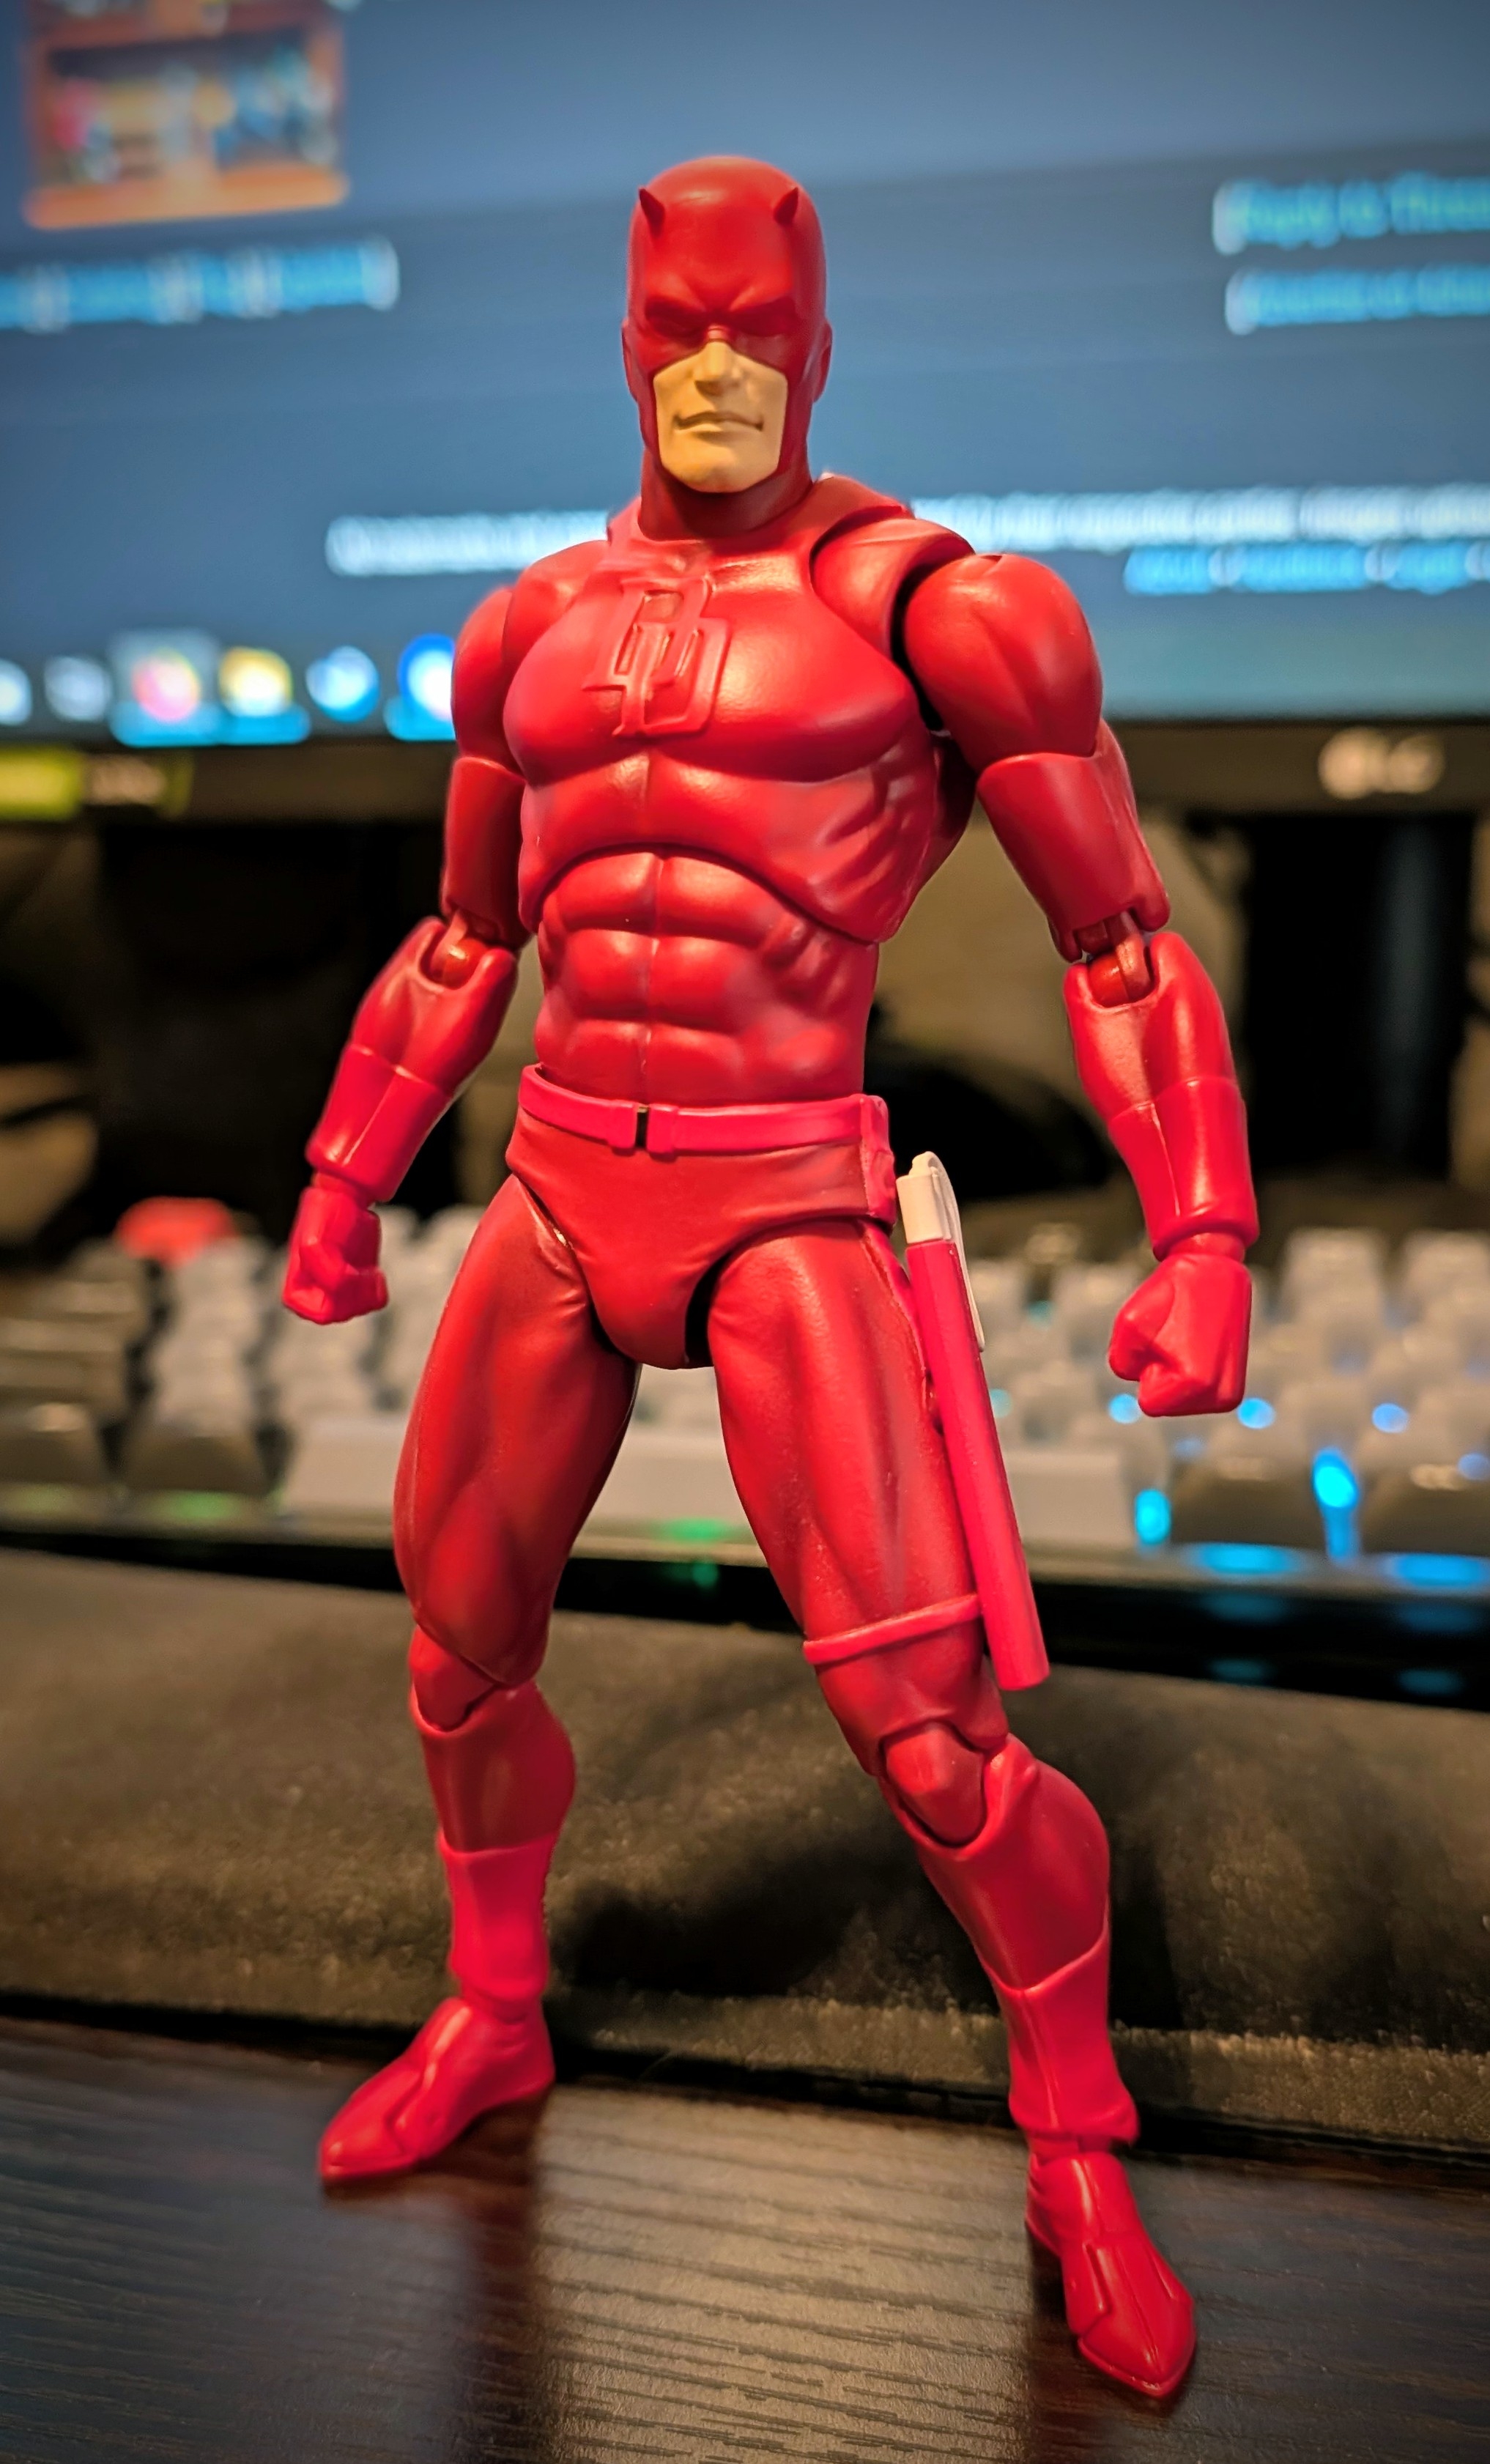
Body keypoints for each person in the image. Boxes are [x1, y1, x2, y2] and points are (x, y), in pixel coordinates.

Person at [283, 156, 1255, 2401]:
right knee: (456, 1654)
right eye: (676, 329)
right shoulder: (525, 624)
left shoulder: (946, 614)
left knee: (932, 1742)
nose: (713, 367)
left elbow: (1117, 946)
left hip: (782, 1197)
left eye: (753, 330)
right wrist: (342, 1178)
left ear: (818, 342)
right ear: (626, 339)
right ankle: (495, 2011)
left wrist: (1200, 1230)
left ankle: (1076, 2142)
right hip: (554, 1187)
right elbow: (465, 937)